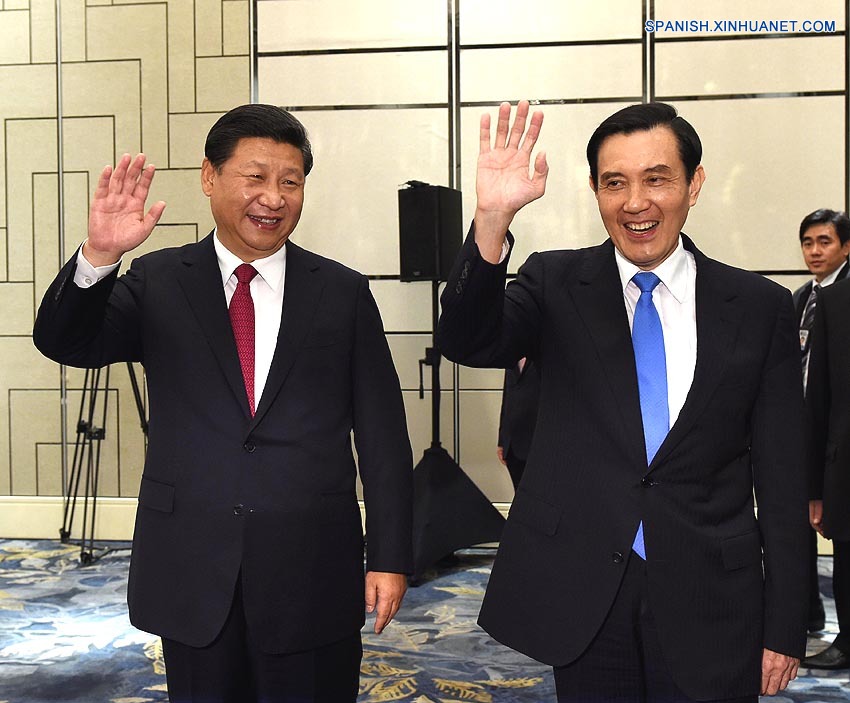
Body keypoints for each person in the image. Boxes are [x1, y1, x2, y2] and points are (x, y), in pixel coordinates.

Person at [33, 104, 413, 702]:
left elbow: (383, 435)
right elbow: (67, 343)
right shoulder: (159, 281)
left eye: (290, 181)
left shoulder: (341, 292)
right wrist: (99, 256)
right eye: (255, 177)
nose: (274, 197)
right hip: (193, 563)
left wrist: (390, 555)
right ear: (209, 176)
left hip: (310, 564)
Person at [437, 100, 808, 701]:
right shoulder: (555, 283)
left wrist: (786, 624)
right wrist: (492, 218)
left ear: (694, 184)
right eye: (615, 183)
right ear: (594, 190)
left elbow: (783, 477)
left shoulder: (758, 307)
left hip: (712, 593)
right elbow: (467, 339)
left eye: (656, 179)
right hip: (586, 593)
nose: (635, 203)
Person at [792, 208, 850, 636]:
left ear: (846, 247)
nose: (814, 251)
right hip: (799, 430)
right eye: (807, 242)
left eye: (824, 242)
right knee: (794, 525)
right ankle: (807, 612)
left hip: (835, 432)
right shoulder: (799, 298)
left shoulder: (843, 298)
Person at [497, 357, 540, 489]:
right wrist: (502, 440)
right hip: (511, 445)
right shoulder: (511, 358)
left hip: (535, 443)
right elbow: (507, 397)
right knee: (519, 493)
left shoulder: (543, 357)